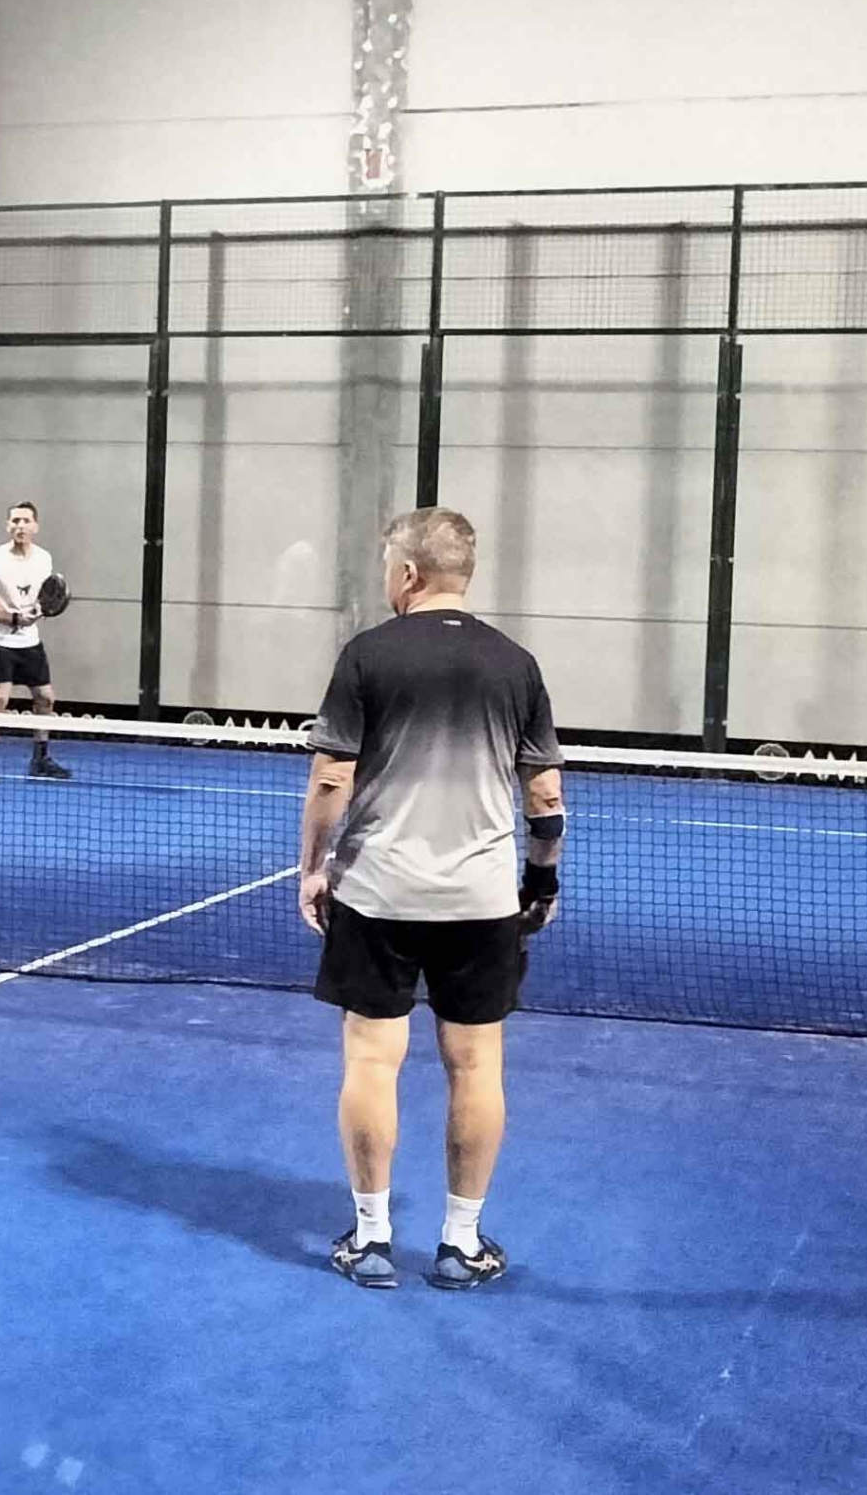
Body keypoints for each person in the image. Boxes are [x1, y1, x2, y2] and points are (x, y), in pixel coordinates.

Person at [298, 508, 563, 1291]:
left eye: (389, 565)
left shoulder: (366, 655)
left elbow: (331, 777)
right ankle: (460, 1243)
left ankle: (372, 1240)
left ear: (408, 573)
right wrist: (542, 879)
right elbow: (546, 794)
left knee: (370, 1059)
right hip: (481, 901)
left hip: (378, 894)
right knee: (475, 1065)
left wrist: (312, 866)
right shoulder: (516, 664)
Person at [0, 500, 69, 785]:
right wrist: (12, 618)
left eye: (26, 521)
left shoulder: (44, 559)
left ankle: (40, 759)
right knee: (0, 699)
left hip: (29, 640)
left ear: (35, 526)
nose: (20, 526)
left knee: (46, 698)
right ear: (8, 526)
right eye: (15, 521)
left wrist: (36, 613)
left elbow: (42, 598)